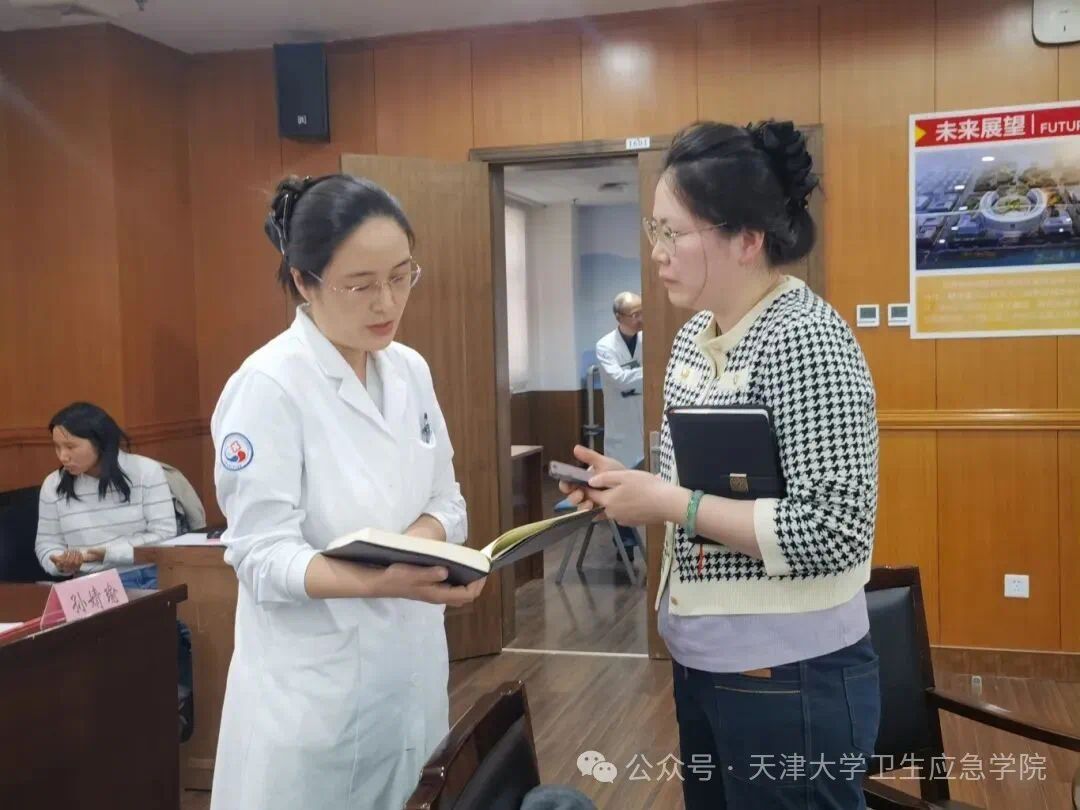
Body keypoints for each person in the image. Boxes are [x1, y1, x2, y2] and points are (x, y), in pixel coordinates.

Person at [561, 121, 880, 809]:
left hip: (790, 669)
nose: (657, 252)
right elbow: (695, 494)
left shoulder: (807, 339)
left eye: (674, 233)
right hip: (703, 654)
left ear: (746, 239)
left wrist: (668, 503)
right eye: (655, 229)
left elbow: (836, 531)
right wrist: (633, 487)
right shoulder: (688, 342)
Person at [209, 174, 486, 810]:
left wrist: (418, 551)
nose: (386, 302)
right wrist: (381, 579)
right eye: (360, 285)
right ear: (304, 282)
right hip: (315, 700)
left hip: (409, 675)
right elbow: (260, 556)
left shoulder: (409, 370)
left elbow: (448, 502)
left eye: (401, 276)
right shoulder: (269, 386)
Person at [35, 401, 176, 589]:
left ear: (99, 442)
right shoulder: (53, 484)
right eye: (57, 447)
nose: (62, 456)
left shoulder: (146, 471)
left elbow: (164, 535)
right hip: (90, 582)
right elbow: (47, 543)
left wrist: (108, 554)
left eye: (70, 447)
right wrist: (61, 564)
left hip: (147, 575)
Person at [594, 291, 644, 560]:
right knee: (620, 484)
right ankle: (625, 546)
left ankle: (650, 544)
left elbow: (628, 377)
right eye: (635, 314)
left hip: (646, 419)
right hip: (621, 427)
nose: (640, 319)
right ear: (619, 317)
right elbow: (620, 380)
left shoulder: (649, 339)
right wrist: (651, 370)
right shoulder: (605, 346)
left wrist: (635, 375)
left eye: (642, 312)